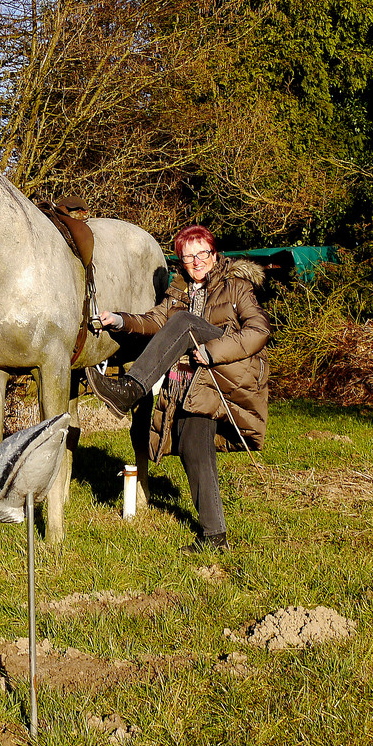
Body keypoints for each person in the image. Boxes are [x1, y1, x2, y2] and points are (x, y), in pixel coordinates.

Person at [85, 225, 270, 552]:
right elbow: (156, 321)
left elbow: (259, 331)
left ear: (214, 253)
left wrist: (214, 351)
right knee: (192, 447)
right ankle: (215, 537)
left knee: (184, 322)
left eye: (203, 254)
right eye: (188, 257)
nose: (197, 262)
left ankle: (130, 389)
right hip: (190, 378)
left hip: (227, 370)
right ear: (181, 261)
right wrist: (120, 320)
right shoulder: (179, 290)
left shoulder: (237, 286)